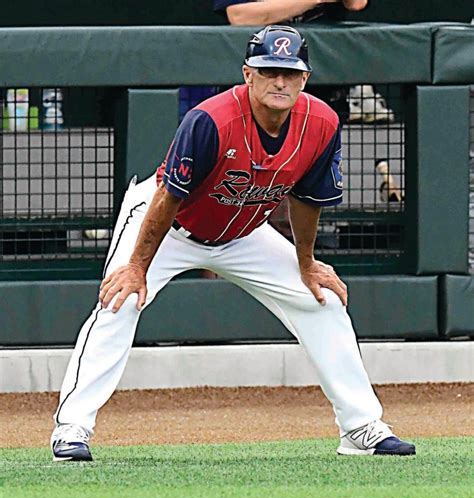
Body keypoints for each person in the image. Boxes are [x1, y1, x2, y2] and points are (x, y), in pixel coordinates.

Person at [50, 25, 415, 461]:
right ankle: (71, 428)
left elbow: (307, 200)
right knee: (120, 299)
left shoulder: (321, 123)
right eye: (268, 71)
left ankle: (359, 427)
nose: (279, 81)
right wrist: (136, 266)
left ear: (304, 79)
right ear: (248, 75)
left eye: (289, 72)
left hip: (242, 231)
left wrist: (306, 262)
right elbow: (170, 196)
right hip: (169, 224)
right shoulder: (210, 119)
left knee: (322, 299)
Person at [214, 0, 395, 124]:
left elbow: (357, 3)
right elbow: (239, 16)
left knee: (314, 166)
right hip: (259, 81)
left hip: (318, 80)